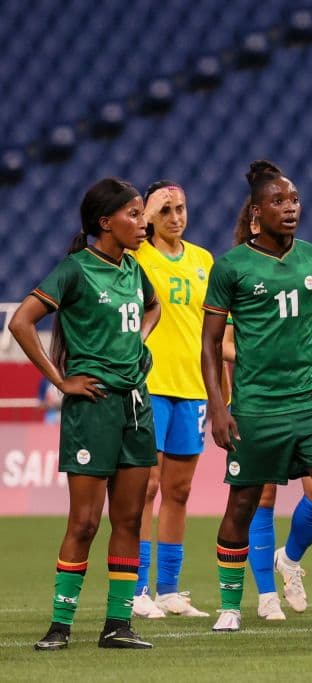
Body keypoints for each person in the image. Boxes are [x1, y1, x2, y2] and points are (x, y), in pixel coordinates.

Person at [201, 160, 312, 633]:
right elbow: (210, 343)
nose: (290, 208)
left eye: (293, 200)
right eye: (278, 201)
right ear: (256, 211)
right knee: (243, 504)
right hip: (255, 406)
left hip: (310, 403)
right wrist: (218, 404)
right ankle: (231, 605)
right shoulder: (230, 267)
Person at [9, 178, 160, 650]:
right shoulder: (75, 270)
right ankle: (60, 626)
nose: (143, 223)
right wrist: (60, 380)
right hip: (92, 407)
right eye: (133, 215)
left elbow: (152, 310)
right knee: (85, 523)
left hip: (136, 406)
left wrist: (138, 342)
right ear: (105, 223)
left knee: (130, 521)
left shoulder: (135, 270)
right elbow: (20, 321)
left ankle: (118, 624)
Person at [225, 197, 312, 622]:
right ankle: (266, 595)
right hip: (257, 397)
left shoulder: (303, 266)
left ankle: (288, 559)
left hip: (301, 397)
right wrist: (260, 354)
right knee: (261, 495)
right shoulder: (240, 273)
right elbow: (222, 341)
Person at [132, 181, 213, 619]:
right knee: (147, 486)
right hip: (150, 385)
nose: (176, 217)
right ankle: (137, 588)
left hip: (194, 388)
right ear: (148, 215)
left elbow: (216, 332)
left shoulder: (203, 260)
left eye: (181, 208)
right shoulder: (136, 256)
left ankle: (169, 590)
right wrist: (143, 219)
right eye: (165, 210)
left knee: (179, 491)